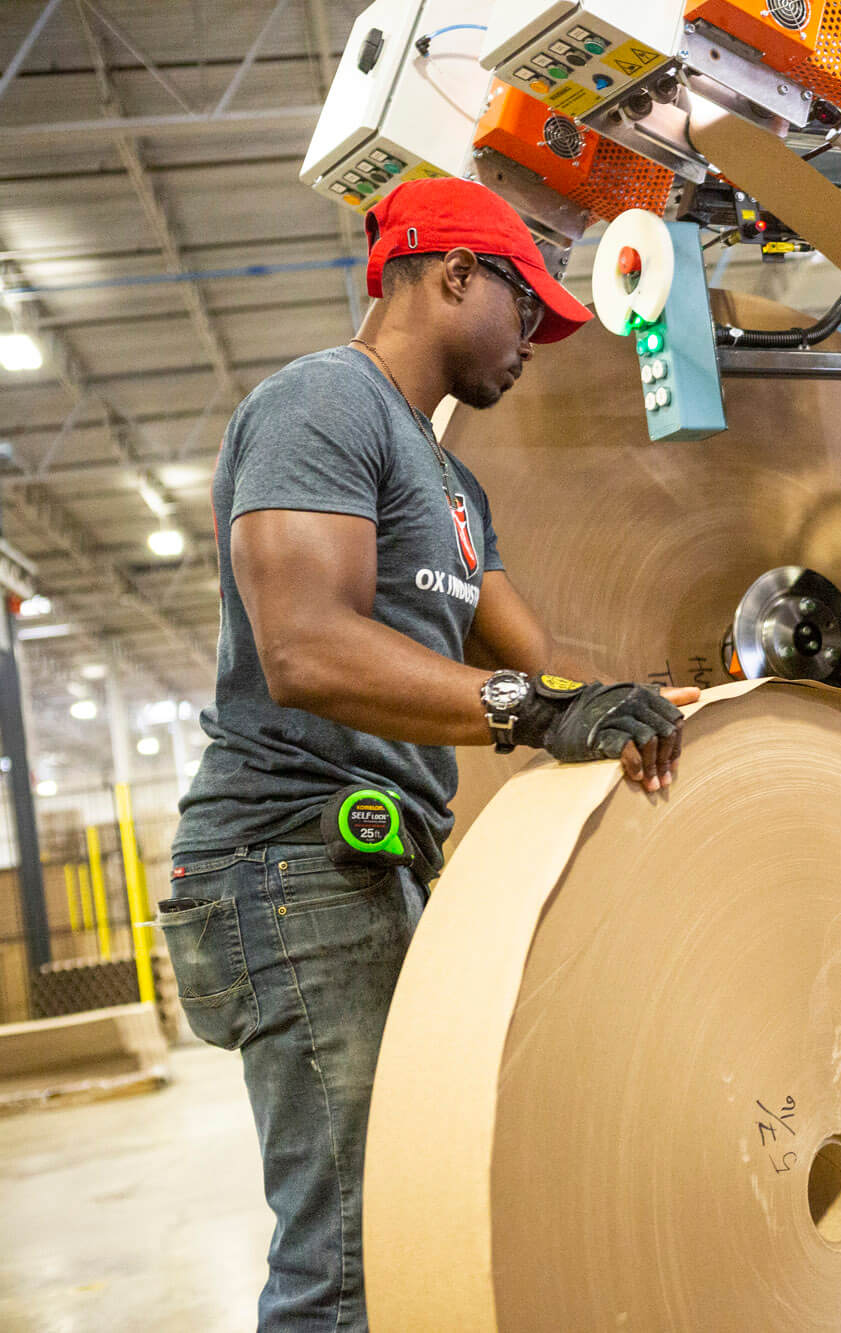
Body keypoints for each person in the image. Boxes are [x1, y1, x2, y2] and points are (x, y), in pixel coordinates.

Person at [159, 177, 696, 1331]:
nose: (538, 343)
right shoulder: (321, 405)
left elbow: (536, 663)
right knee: (352, 1261)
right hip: (287, 864)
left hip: (376, 870)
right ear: (453, 275)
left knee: (425, 1230)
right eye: (528, 308)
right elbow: (303, 647)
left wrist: (634, 701)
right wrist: (538, 705)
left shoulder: (452, 483)